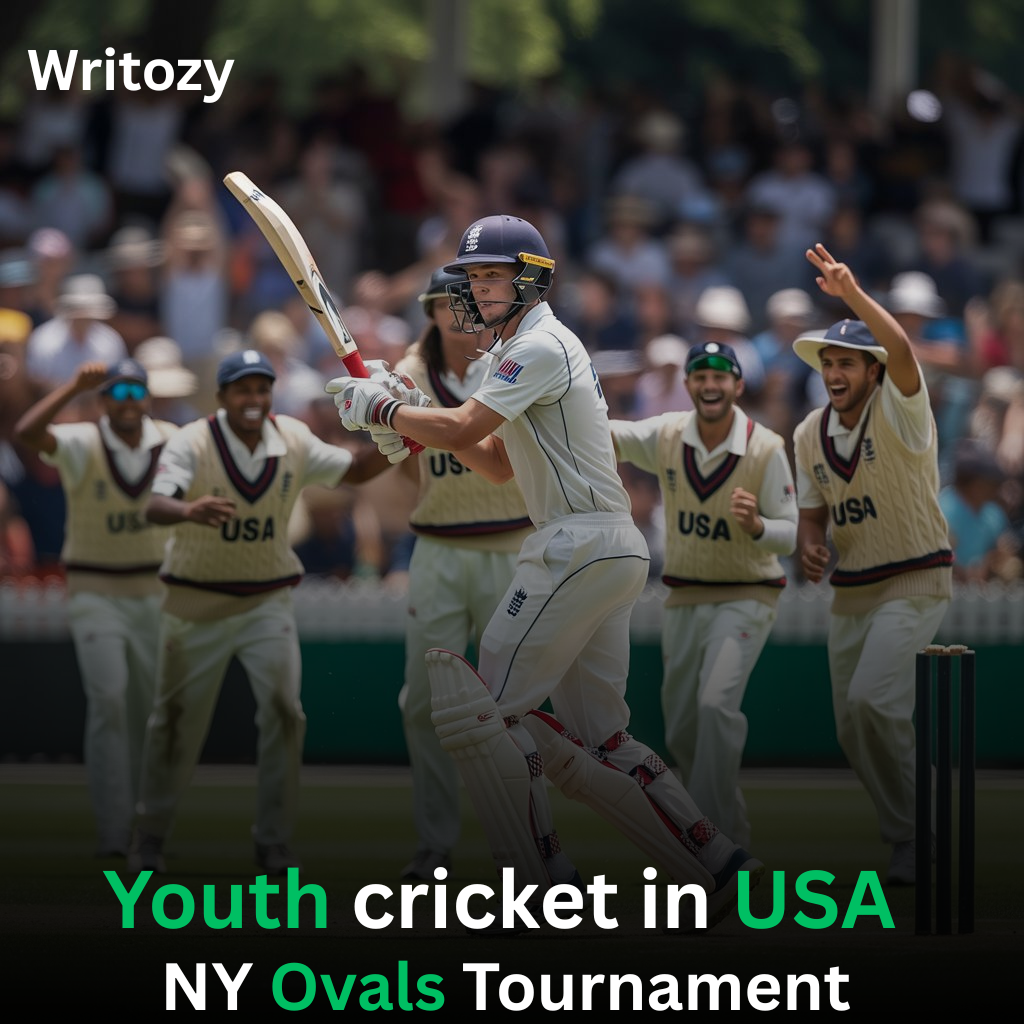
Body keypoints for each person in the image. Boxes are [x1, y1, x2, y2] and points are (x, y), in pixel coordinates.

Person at [330, 215, 761, 924]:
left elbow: (464, 428)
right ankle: (720, 857)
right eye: (471, 279)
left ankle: (545, 883)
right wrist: (404, 412)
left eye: (491, 277)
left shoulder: (537, 344)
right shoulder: (533, 348)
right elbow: (496, 462)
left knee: (481, 714)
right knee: (602, 737)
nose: (476, 291)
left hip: (573, 546)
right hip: (608, 547)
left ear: (530, 279)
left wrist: (387, 407)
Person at [130, 349, 391, 875]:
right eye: (242, 390)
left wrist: (401, 435)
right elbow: (155, 505)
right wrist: (189, 510)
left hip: (265, 600)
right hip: (195, 600)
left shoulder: (291, 437)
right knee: (174, 722)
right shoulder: (192, 441)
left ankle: (272, 840)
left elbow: (356, 470)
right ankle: (150, 835)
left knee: (284, 713)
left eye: (261, 388)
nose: (253, 399)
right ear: (222, 396)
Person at [793, 243, 953, 885]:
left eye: (848, 363)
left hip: (916, 576)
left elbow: (907, 355)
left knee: (874, 702)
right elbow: (814, 511)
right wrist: (810, 543)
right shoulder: (807, 433)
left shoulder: (902, 408)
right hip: (854, 589)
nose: (834, 372)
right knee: (853, 725)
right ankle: (911, 833)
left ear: (873, 372)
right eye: (828, 362)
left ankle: (918, 835)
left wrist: (852, 294)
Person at [610, 340, 797, 848]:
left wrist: (758, 525)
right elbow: (612, 438)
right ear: (688, 384)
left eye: (720, 376)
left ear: (738, 385)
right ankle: (727, 834)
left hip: (746, 593)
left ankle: (711, 849)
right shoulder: (670, 433)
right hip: (686, 597)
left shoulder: (765, 448)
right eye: (700, 375)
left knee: (716, 706)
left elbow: (791, 532)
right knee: (686, 729)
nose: (710, 384)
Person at [393, 267, 533, 880]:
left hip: (511, 546)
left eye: (466, 300)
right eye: (444, 303)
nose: (458, 312)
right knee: (423, 703)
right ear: (429, 312)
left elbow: (501, 457)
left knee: (515, 705)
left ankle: (529, 839)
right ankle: (436, 841)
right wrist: (382, 407)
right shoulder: (405, 375)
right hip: (440, 549)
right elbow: (401, 465)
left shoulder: (509, 360)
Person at [14, 358, 176, 857]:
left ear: (147, 398)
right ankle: (112, 830)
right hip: (95, 590)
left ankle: (147, 823)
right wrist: (71, 387)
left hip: (154, 592)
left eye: (135, 393)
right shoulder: (84, 439)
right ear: (103, 401)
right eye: (116, 394)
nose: (126, 403)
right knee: (108, 699)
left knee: (149, 711)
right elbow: (27, 432)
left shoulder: (172, 439)